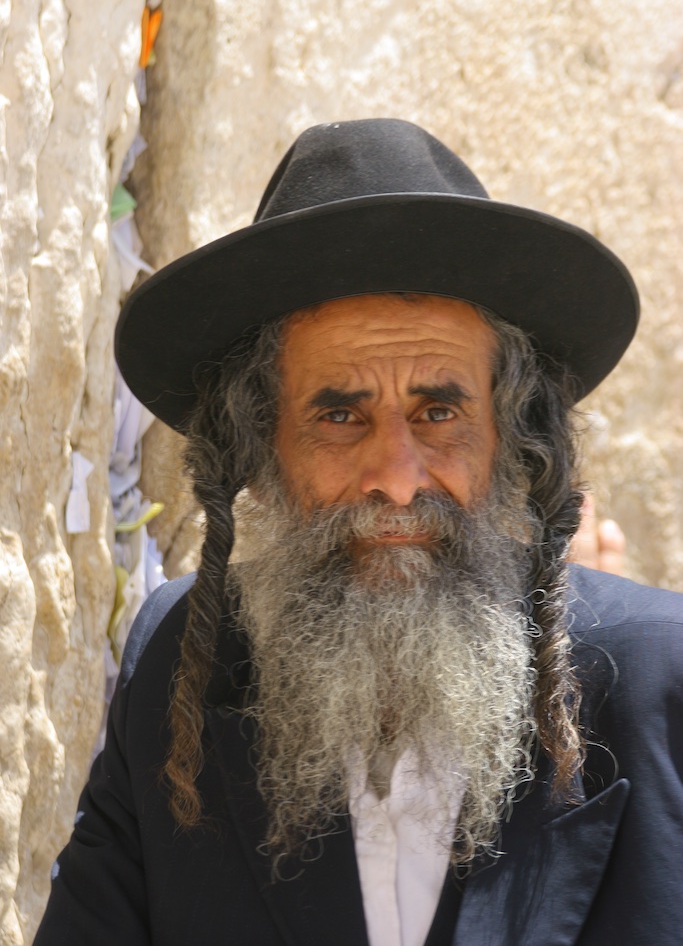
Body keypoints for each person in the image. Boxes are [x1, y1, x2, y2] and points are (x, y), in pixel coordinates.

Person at [36, 120, 683, 946]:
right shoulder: (182, 670)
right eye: (339, 414)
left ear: (509, 436)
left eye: (439, 412)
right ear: (262, 441)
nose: (398, 476)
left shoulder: (655, 686)